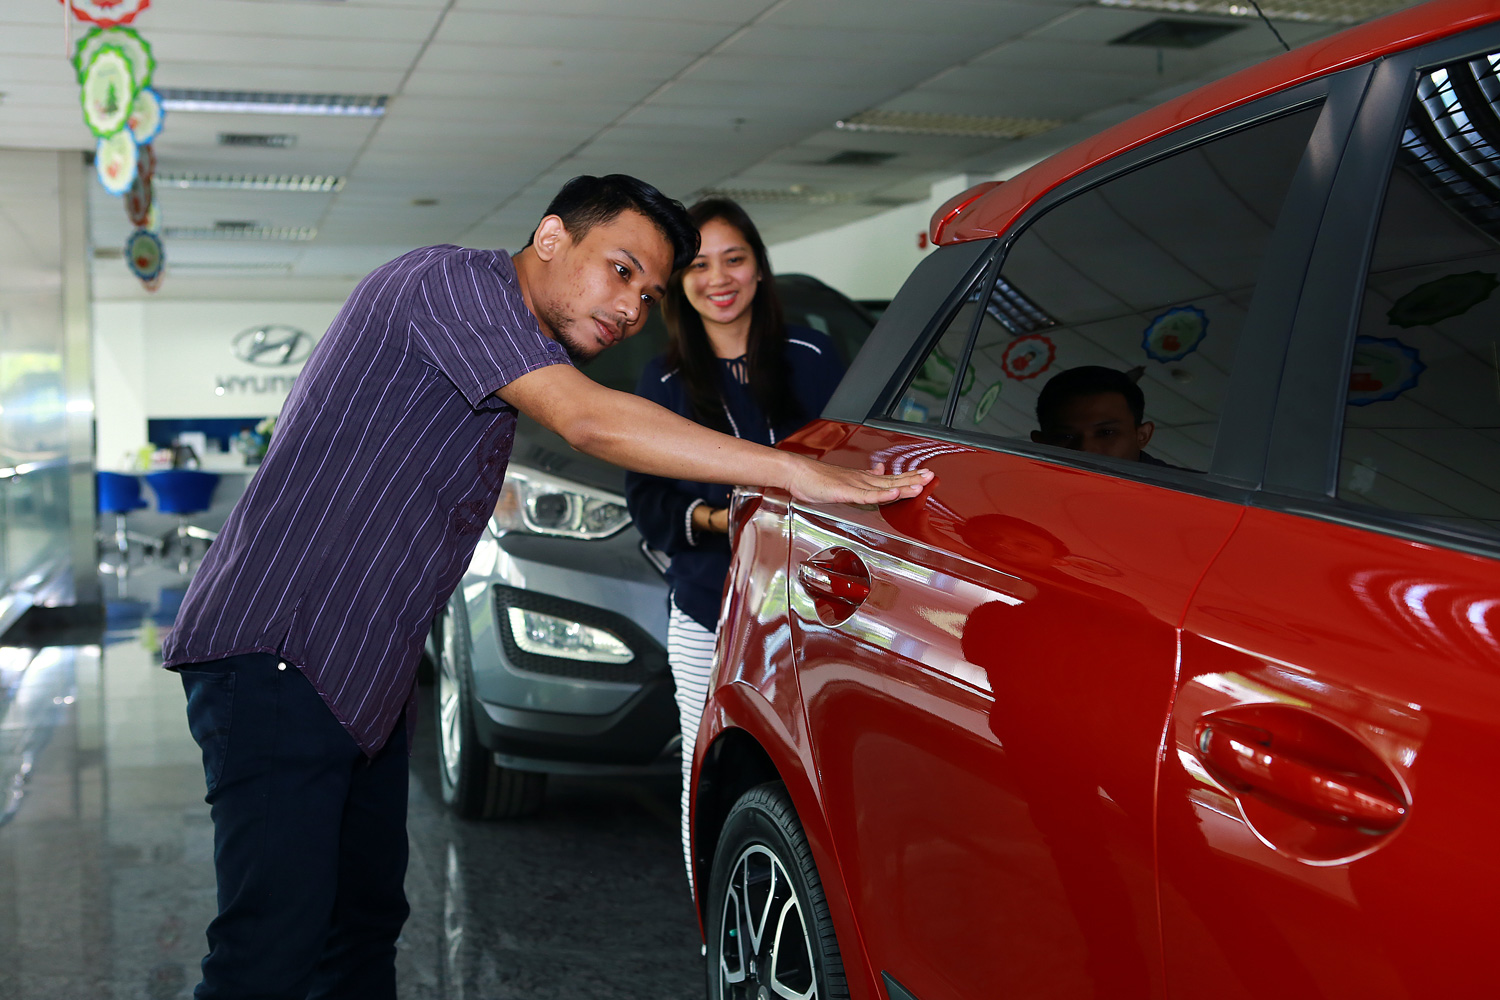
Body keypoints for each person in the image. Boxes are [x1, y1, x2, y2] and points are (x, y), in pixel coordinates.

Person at [161, 174, 930, 1000]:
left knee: (359, 931)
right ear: (554, 236)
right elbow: (590, 422)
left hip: (358, 680)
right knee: (269, 953)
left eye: (651, 292)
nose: (634, 307)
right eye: (622, 271)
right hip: (284, 654)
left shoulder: (505, 351)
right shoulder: (447, 282)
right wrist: (794, 474)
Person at [624, 198, 846, 890]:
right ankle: (716, 935)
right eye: (697, 265)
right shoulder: (660, 383)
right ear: (679, 282)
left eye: (734, 259)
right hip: (706, 608)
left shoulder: (813, 355)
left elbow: (850, 465)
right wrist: (728, 520)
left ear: (758, 268)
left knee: (816, 774)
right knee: (706, 767)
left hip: (812, 609)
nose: (718, 279)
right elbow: (651, 505)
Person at [1030, 364, 1172, 465]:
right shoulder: (1024, 498)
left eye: (1106, 432)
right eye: (1065, 436)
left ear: (1142, 436)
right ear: (1041, 443)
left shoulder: (1189, 498)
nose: (1085, 448)